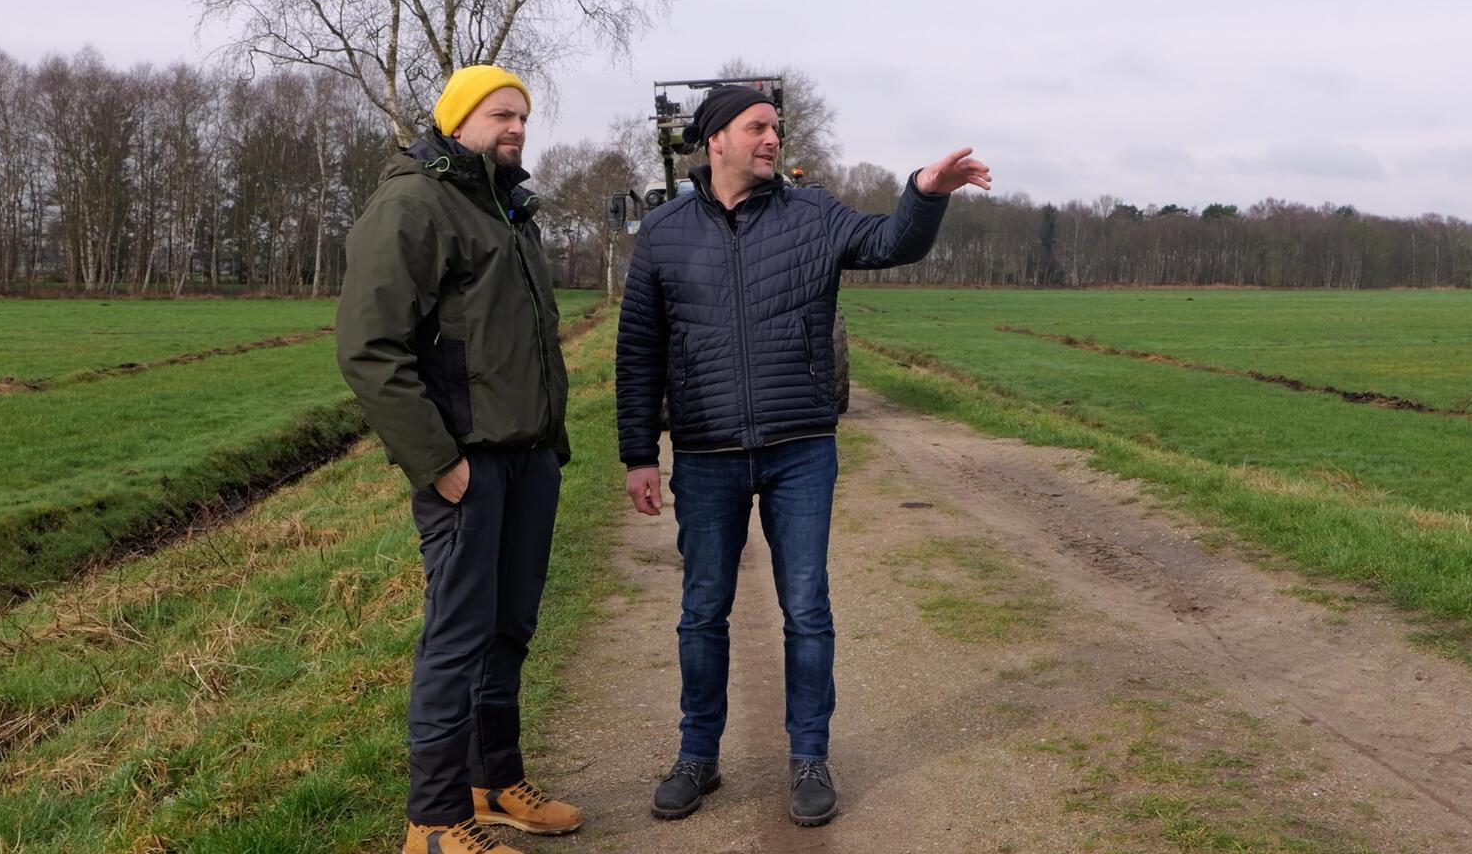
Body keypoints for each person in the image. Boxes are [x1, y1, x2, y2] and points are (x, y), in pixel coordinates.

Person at [615, 84, 991, 827]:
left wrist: (924, 192)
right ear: (715, 139)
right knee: (702, 612)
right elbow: (640, 350)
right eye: (757, 127)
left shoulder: (813, 214)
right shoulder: (662, 232)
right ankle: (698, 757)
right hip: (706, 452)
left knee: (808, 610)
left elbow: (893, 243)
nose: (771, 140)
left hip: (800, 451)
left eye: (776, 129)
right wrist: (639, 452)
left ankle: (809, 758)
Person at [337, 65, 579, 854]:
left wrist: (550, 446)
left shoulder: (509, 208)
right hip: (466, 469)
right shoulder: (413, 203)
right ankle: (435, 822)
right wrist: (438, 462)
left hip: (527, 461)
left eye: (523, 116)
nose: (516, 127)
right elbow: (370, 350)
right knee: (457, 639)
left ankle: (491, 781)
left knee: (509, 628)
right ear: (457, 118)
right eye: (500, 113)